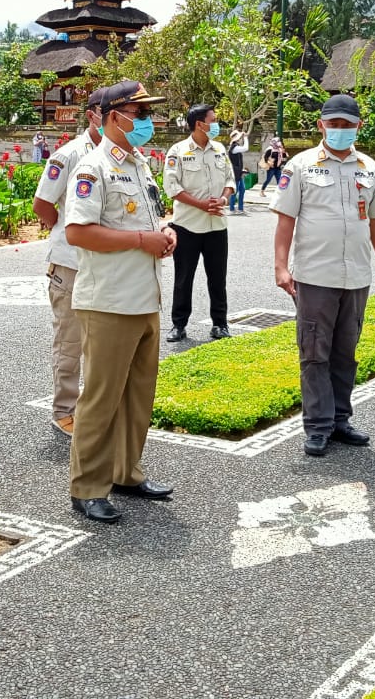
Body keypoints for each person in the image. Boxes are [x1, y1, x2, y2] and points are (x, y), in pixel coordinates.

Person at [271, 93, 375, 457]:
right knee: (315, 351)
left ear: (358, 127)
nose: (340, 130)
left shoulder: (369, 167)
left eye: (347, 125)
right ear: (321, 125)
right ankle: (317, 426)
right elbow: (286, 221)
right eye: (333, 124)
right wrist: (281, 266)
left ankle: (340, 419)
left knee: (346, 352)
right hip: (316, 275)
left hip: (357, 276)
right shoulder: (299, 166)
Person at [66, 80, 177, 524]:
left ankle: (126, 473)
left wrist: (165, 231)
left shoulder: (139, 165)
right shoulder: (94, 168)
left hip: (144, 297)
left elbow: (153, 214)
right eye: (141, 112)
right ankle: (88, 487)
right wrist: (140, 239)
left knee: (137, 395)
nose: (148, 121)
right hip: (109, 301)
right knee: (101, 397)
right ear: (115, 116)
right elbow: (78, 231)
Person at [32, 88, 106, 435]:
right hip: (71, 264)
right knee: (70, 340)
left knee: (103, 342)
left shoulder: (122, 155)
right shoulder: (69, 155)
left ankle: (95, 407)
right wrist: (63, 230)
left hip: (108, 264)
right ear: (93, 114)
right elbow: (43, 205)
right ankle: (64, 408)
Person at [162, 103, 235, 343]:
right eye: (213, 120)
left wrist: (223, 199)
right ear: (200, 124)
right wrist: (201, 204)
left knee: (218, 277)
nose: (216, 124)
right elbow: (172, 188)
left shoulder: (220, 149)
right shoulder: (178, 151)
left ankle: (220, 324)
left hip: (216, 225)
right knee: (184, 278)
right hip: (187, 225)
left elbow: (230, 179)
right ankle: (178, 325)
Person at [227, 122, 249, 214]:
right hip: (235, 173)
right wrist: (246, 138)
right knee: (235, 192)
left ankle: (240, 208)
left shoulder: (236, 147)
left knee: (242, 190)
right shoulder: (234, 148)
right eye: (239, 138)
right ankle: (232, 209)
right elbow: (246, 148)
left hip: (238, 172)